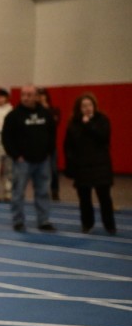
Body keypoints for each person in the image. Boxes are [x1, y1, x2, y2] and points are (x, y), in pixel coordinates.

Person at [2, 85, 56, 233]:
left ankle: (43, 221)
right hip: (22, 161)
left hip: (42, 160)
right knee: (18, 192)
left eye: (29, 94)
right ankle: (18, 221)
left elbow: (52, 134)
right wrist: (16, 155)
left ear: (37, 96)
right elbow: (6, 138)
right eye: (23, 94)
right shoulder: (13, 116)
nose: (26, 97)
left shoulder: (46, 114)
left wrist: (49, 152)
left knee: (43, 192)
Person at [64, 94, 116, 235]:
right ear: (79, 108)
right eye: (84, 106)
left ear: (94, 106)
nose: (87, 108)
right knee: (84, 199)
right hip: (82, 166)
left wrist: (89, 125)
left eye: (89, 105)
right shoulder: (74, 123)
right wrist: (70, 165)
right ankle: (87, 224)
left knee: (104, 197)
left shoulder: (102, 120)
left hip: (100, 165)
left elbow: (104, 137)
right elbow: (69, 145)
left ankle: (109, 225)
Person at [37, 88, 62, 201]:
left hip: (51, 145)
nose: (41, 97)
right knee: (39, 170)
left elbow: (55, 122)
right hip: (39, 145)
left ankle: (55, 191)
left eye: (43, 95)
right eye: (39, 95)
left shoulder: (54, 110)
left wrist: (46, 109)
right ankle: (41, 191)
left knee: (53, 169)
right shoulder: (35, 111)